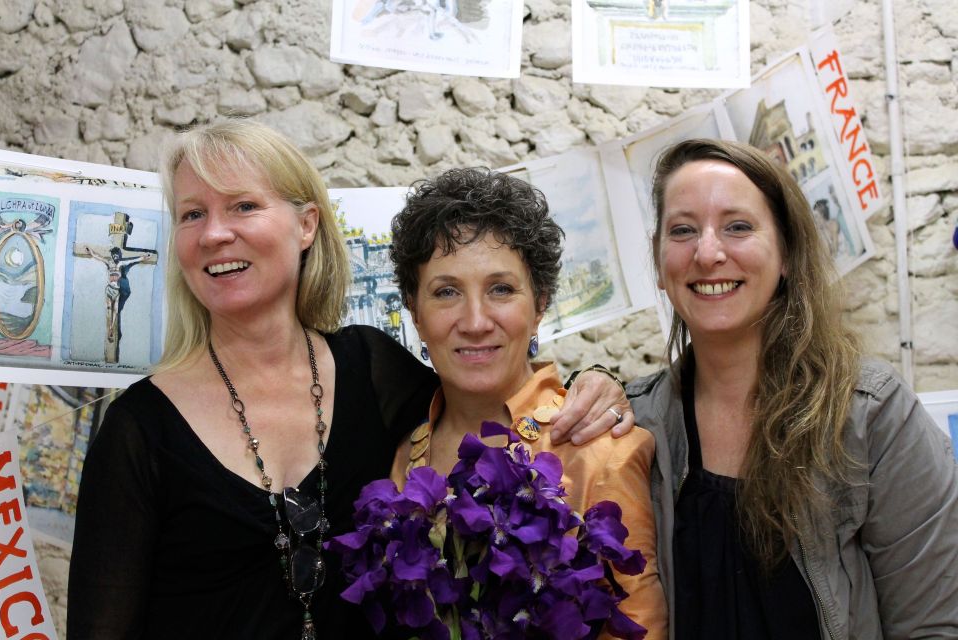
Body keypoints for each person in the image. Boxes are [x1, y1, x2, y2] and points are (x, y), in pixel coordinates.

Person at [67, 120, 633, 640]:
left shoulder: (371, 368)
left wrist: (596, 381)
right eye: (192, 214)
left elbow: (483, 393)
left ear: (306, 224)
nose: (214, 233)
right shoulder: (138, 431)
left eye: (243, 206)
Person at [627, 138, 958, 640]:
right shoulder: (634, 428)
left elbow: (934, 625)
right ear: (658, 262)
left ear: (786, 253)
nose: (708, 252)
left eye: (738, 227)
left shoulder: (873, 415)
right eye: (683, 230)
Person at [387, 167, 668, 638]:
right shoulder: (401, 455)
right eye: (446, 292)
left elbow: (639, 626)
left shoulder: (603, 451)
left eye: (500, 289)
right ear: (415, 312)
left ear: (540, 305)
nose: (475, 321)